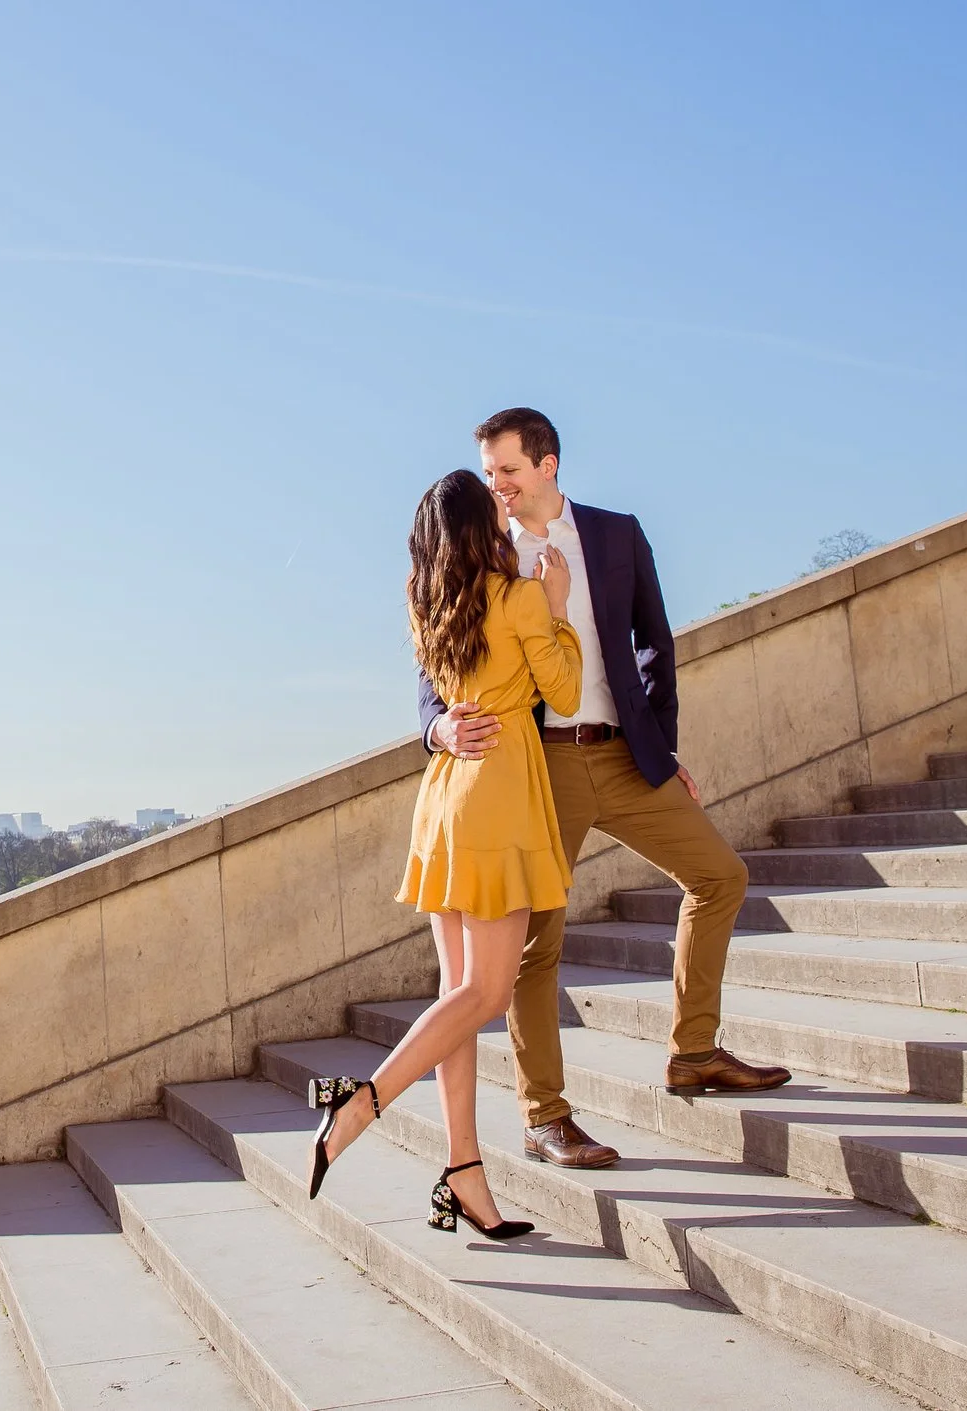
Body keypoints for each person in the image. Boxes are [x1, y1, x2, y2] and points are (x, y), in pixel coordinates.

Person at [422, 407, 788, 1156]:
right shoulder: (484, 553)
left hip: (624, 754)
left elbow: (655, 645)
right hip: (534, 767)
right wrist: (438, 728)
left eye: (509, 471)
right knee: (534, 945)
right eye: (490, 473)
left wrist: (662, 746)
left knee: (721, 875)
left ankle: (694, 1050)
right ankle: (544, 1115)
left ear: (548, 465)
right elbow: (436, 660)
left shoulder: (617, 534)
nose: (498, 485)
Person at [307, 468, 588, 1240]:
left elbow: (441, 697)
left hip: (443, 801)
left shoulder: (428, 606)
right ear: (481, 530)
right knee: (486, 994)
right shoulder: (522, 598)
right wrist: (559, 609)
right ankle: (361, 1102)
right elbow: (562, 692)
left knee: (459, 994)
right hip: (498, 799)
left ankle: (464, 1170)